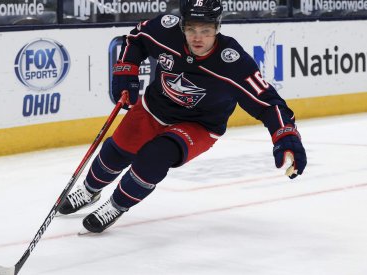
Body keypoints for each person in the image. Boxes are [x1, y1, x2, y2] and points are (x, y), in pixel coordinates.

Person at [58, 0, 307, 233]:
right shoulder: (166, 31)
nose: (198, 37)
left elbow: (268, 103)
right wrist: (125, 71)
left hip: (199, 125)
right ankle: (90, 190)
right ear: (182, 25)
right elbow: (136, 38)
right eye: (191, 28)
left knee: (153, 157)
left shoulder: (233, 62)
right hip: (154, 107)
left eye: (206, 30)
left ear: (218, 27)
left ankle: (116, 205)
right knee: (116, 151)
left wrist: (286, 138)